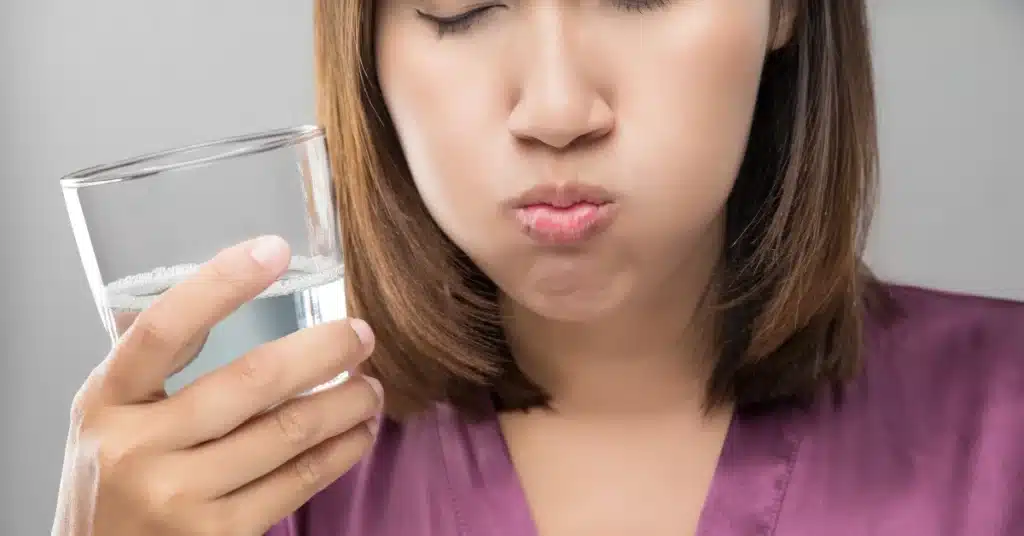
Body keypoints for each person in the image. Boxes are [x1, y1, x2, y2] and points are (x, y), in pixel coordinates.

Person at [52, 0, 1024, 535]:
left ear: (784, 13)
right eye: (462, 4)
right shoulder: (250, 486)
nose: (556, 107)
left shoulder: (1004, 423)